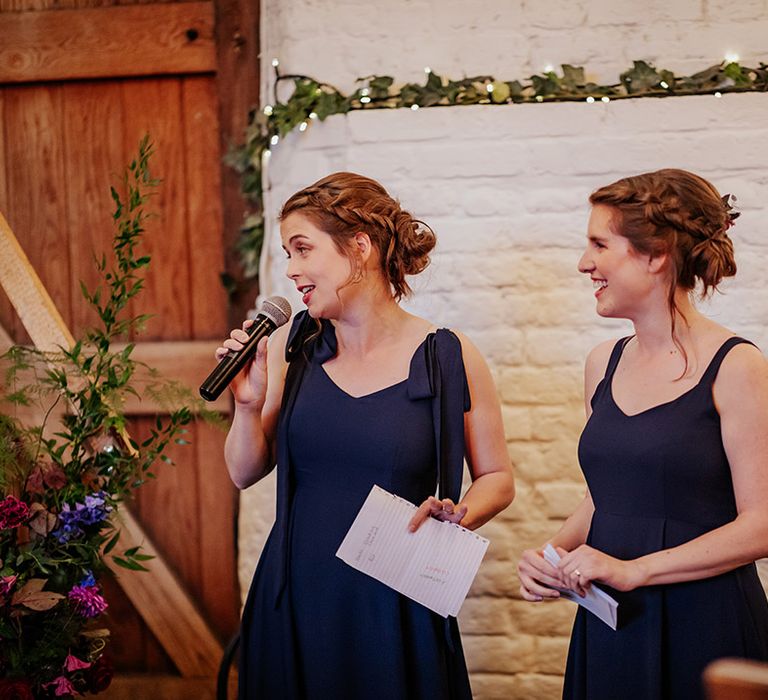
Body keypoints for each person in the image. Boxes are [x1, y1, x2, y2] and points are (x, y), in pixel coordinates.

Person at [219, 172, 514, 699]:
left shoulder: (448, 356)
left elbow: (496, 478)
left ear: (360, 246)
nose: (291, 271)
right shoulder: (293, 347)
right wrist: (246, 404)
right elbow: (243, 473)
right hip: (294, 596)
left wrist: (458, 513)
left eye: (303, 249)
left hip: (395, 602)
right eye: (287, 253)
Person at [517, 168, 768, 699]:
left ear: (655, 256)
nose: (585, 263)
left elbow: (762, 526)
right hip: (612, 622)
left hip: (707, 626)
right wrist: (551, 553)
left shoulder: (738, 366)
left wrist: (635, 570)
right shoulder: (601, 363)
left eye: (599, 245)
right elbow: (604, 495)